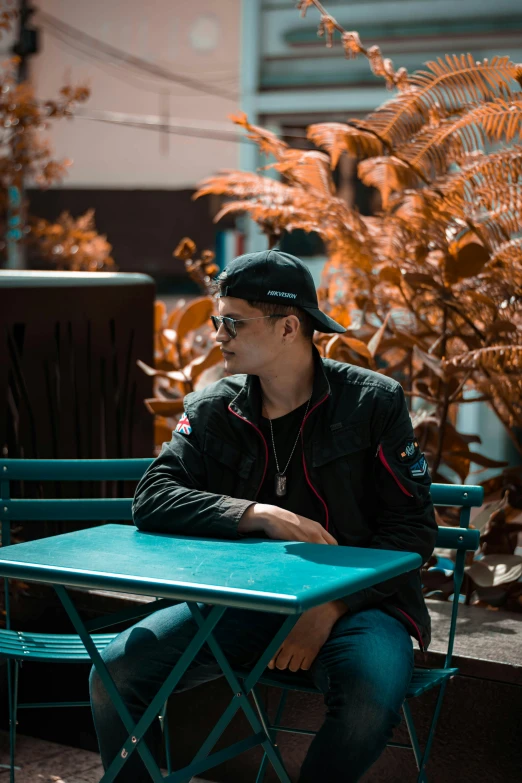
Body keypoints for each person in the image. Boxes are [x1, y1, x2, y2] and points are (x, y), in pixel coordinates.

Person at [90, 249, 437, 782]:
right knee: (114, 673)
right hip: (244, 602)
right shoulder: (213, 408)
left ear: (288, 327)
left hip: (362, 607)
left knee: (370, 696)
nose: (218, 334)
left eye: (232, 321)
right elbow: (153, 495)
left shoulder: (373, 403)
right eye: (216, 320)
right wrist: (258, 513)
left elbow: (413, 531)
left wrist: (331, 605)